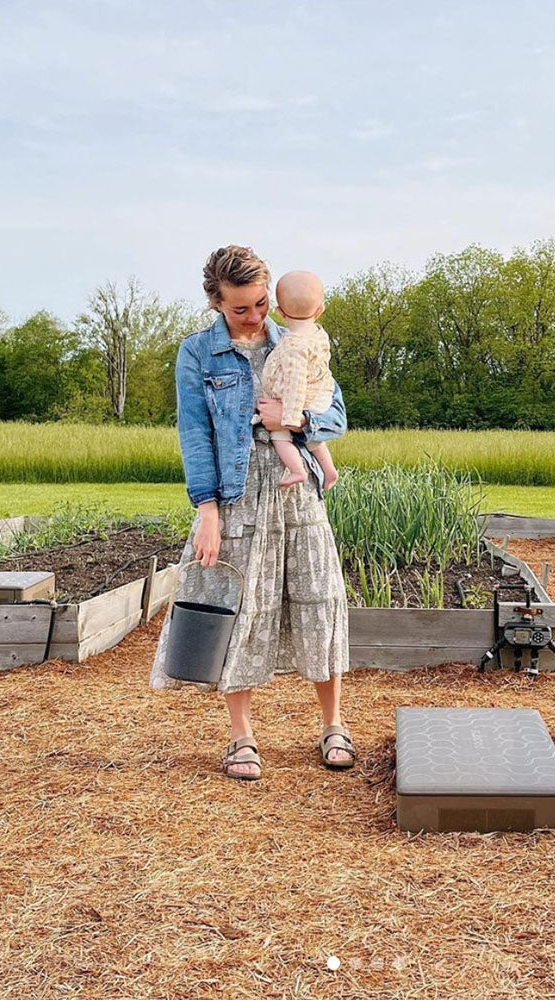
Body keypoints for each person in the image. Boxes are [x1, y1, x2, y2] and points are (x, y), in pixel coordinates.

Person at [150, 245, 356, 781]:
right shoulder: (197, 353)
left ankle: (334, 725)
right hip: (237, 492)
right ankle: (242, 737)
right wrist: (208, 511)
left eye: (262, 304)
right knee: (238, 607)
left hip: (297, 489)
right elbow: (195, 435)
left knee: (320, 597)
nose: (256, 316)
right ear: (216, 303)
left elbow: (335, 413)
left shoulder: (298, 340)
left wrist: (296, 420)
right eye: (240, 308)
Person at [257, 269, 339, 491]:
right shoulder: (318, 335)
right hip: (321, 395)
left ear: (280, 311)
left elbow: (295, 383)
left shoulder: (294, 345)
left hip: (303, 401)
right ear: (320, 310)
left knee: (279, 435)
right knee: (313, 439)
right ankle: (329, 470)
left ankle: (297, 470)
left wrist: (290, 417)